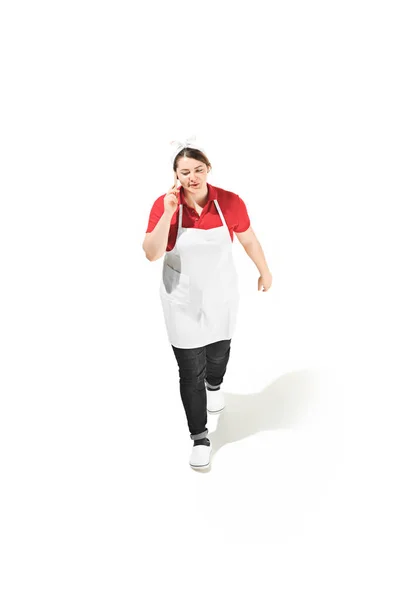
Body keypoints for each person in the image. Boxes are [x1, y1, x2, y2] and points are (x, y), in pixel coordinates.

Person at [142, 137, 272, 470]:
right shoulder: (165, 204)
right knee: (189, 370)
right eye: (185, 171)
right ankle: (200, 438)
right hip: (181, 298)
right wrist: (168, 214)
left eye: (198, 169)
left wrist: (264, 270)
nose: (192, 177)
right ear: (175, 174)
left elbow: (248, 238)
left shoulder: (228, 202)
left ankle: (215, 385)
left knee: (218, 353)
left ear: (208, 169)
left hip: (221, 294)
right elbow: (152, 252)